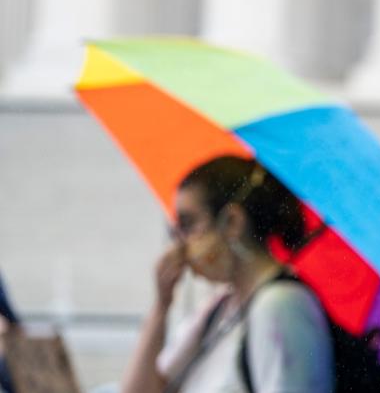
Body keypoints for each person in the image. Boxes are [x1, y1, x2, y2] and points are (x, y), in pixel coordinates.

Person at [121, 156, 333, 393]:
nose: (178, 246)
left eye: (188, 224)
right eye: (176, 230)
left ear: (232, 222)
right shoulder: (220, 307)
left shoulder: (282, 306)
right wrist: (161, 306)